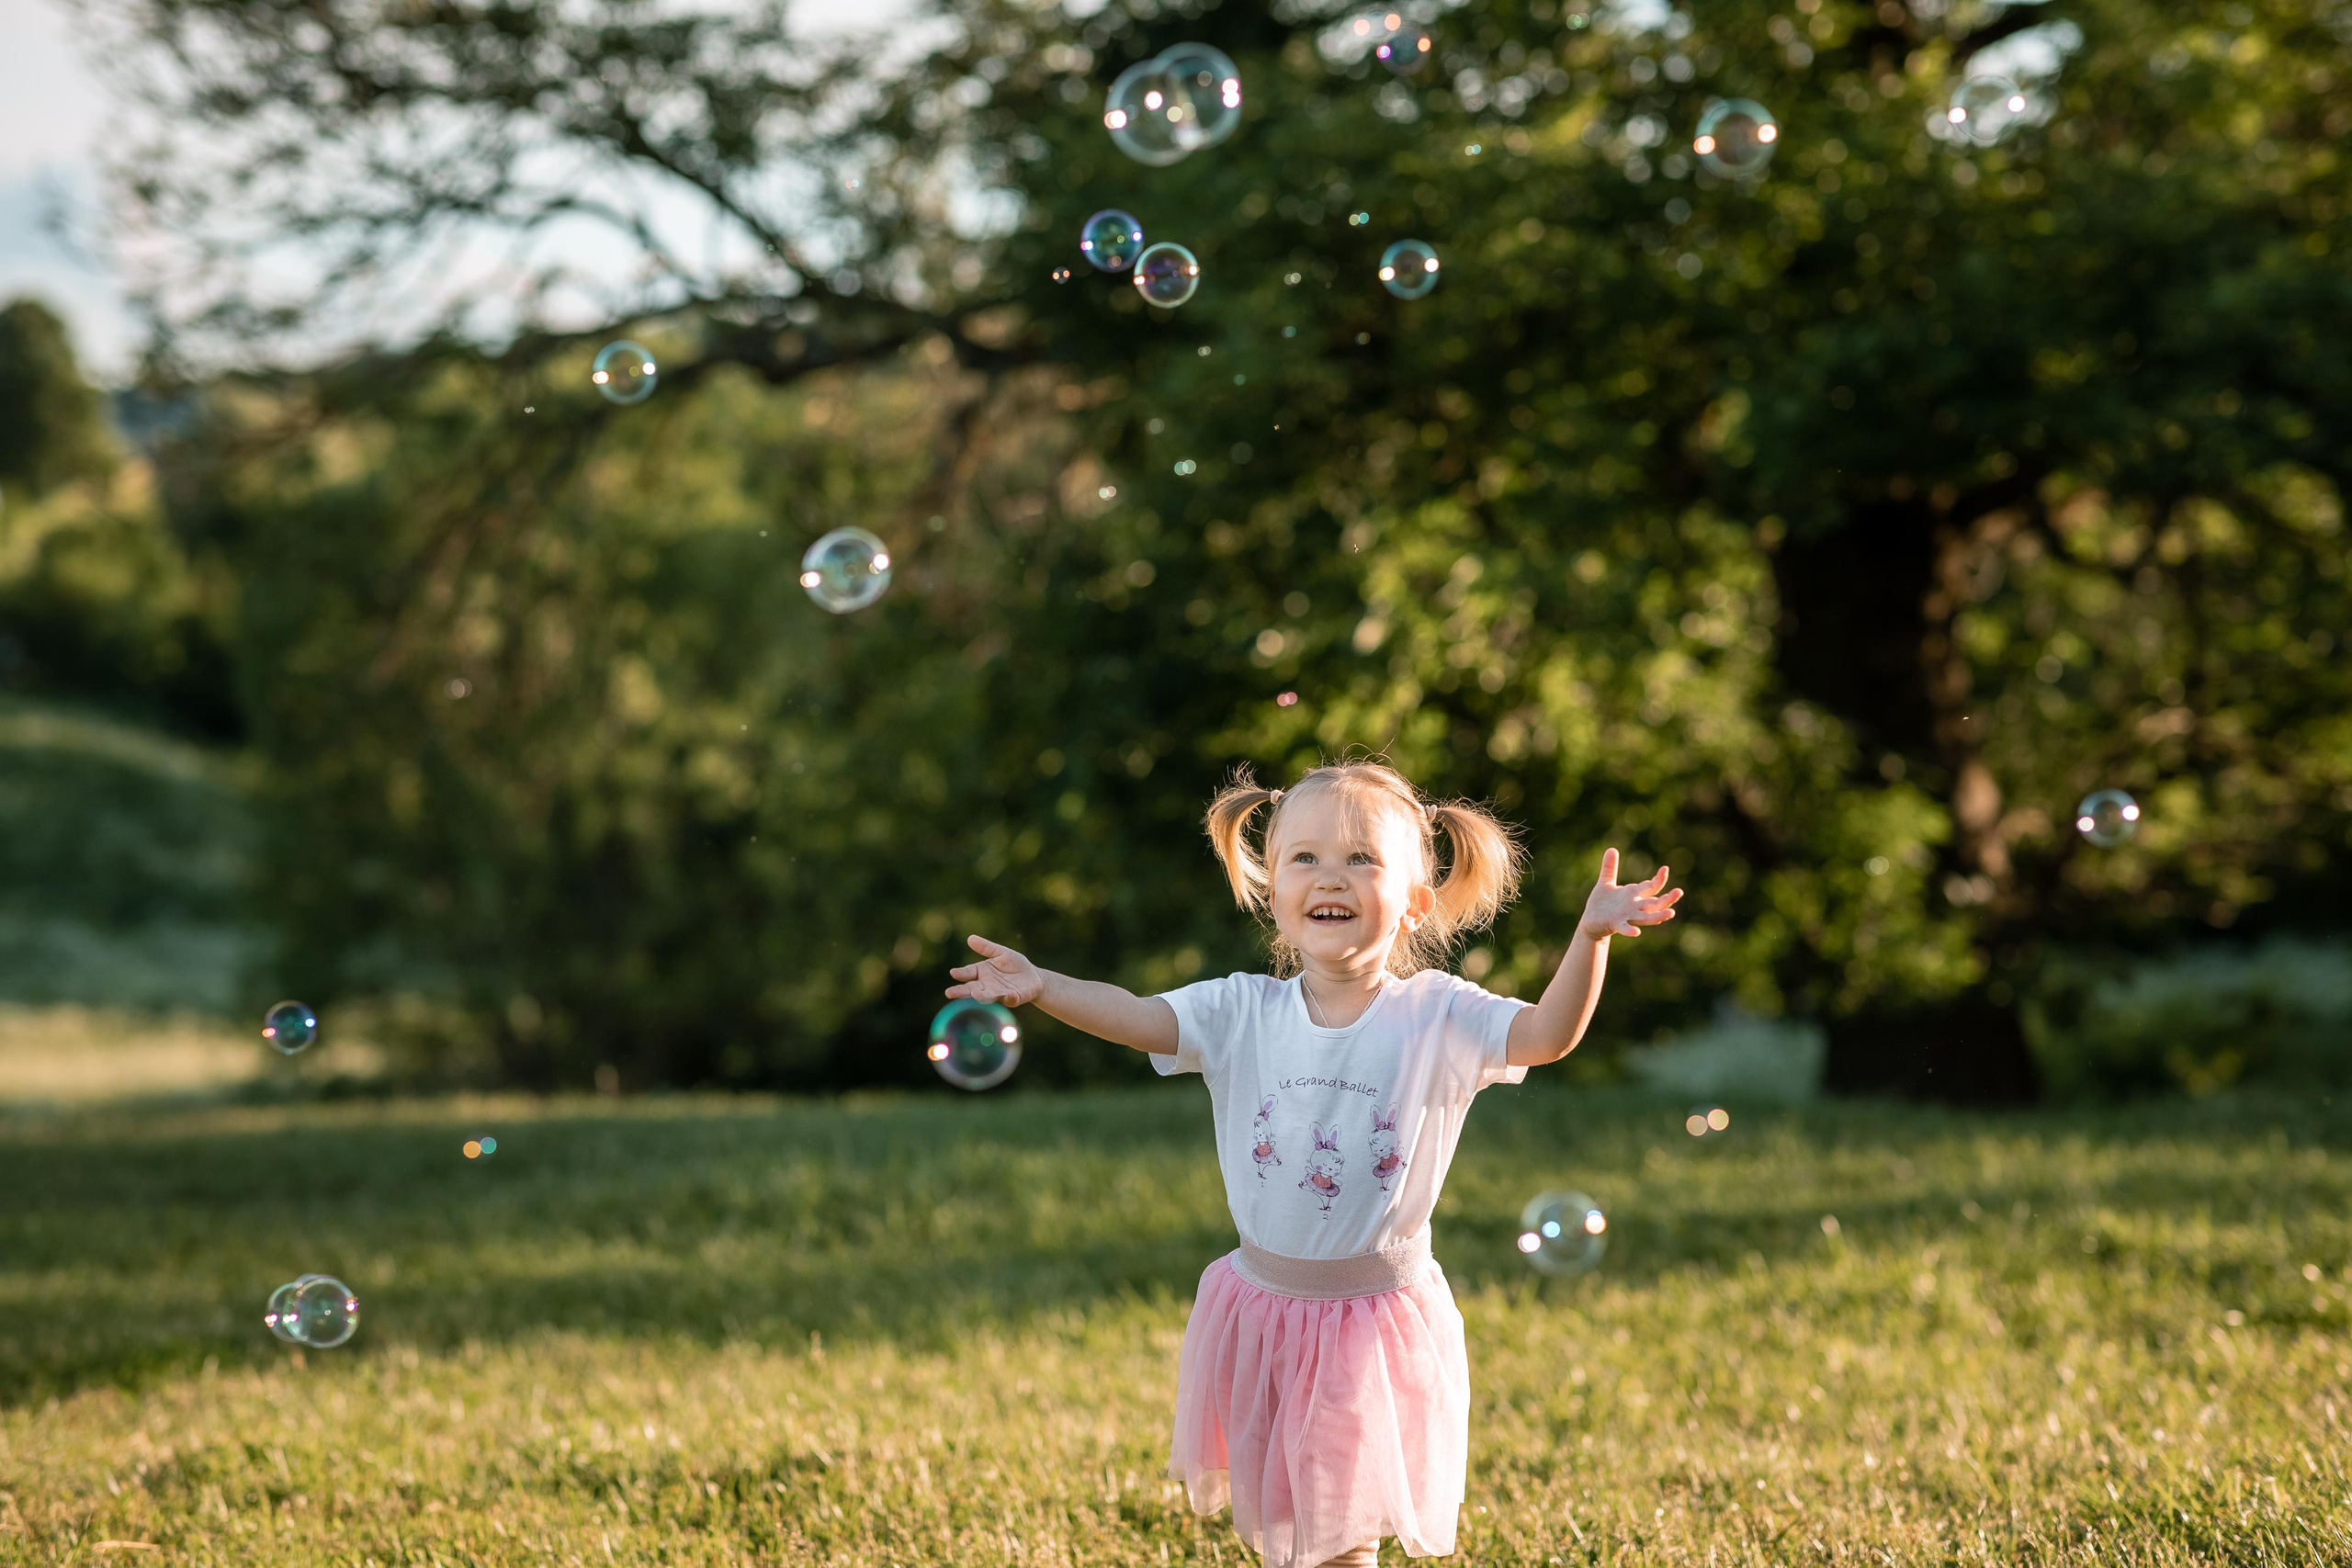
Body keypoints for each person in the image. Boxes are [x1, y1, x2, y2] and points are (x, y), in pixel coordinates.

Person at [945, 760, 1683, 1568]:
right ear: (1273, 890)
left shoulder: (1438, 1013)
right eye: (1305, 857)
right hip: (1260, 1308)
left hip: (1368, 1322)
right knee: (1286, 1529)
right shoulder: (1240, 1010)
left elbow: (1547, 1036)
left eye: (1362, 859)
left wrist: (1589, 940)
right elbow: (1138, 1016)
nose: (1331, 876)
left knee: (1338, 1535)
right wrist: (1045, 984)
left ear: (1415, 901)